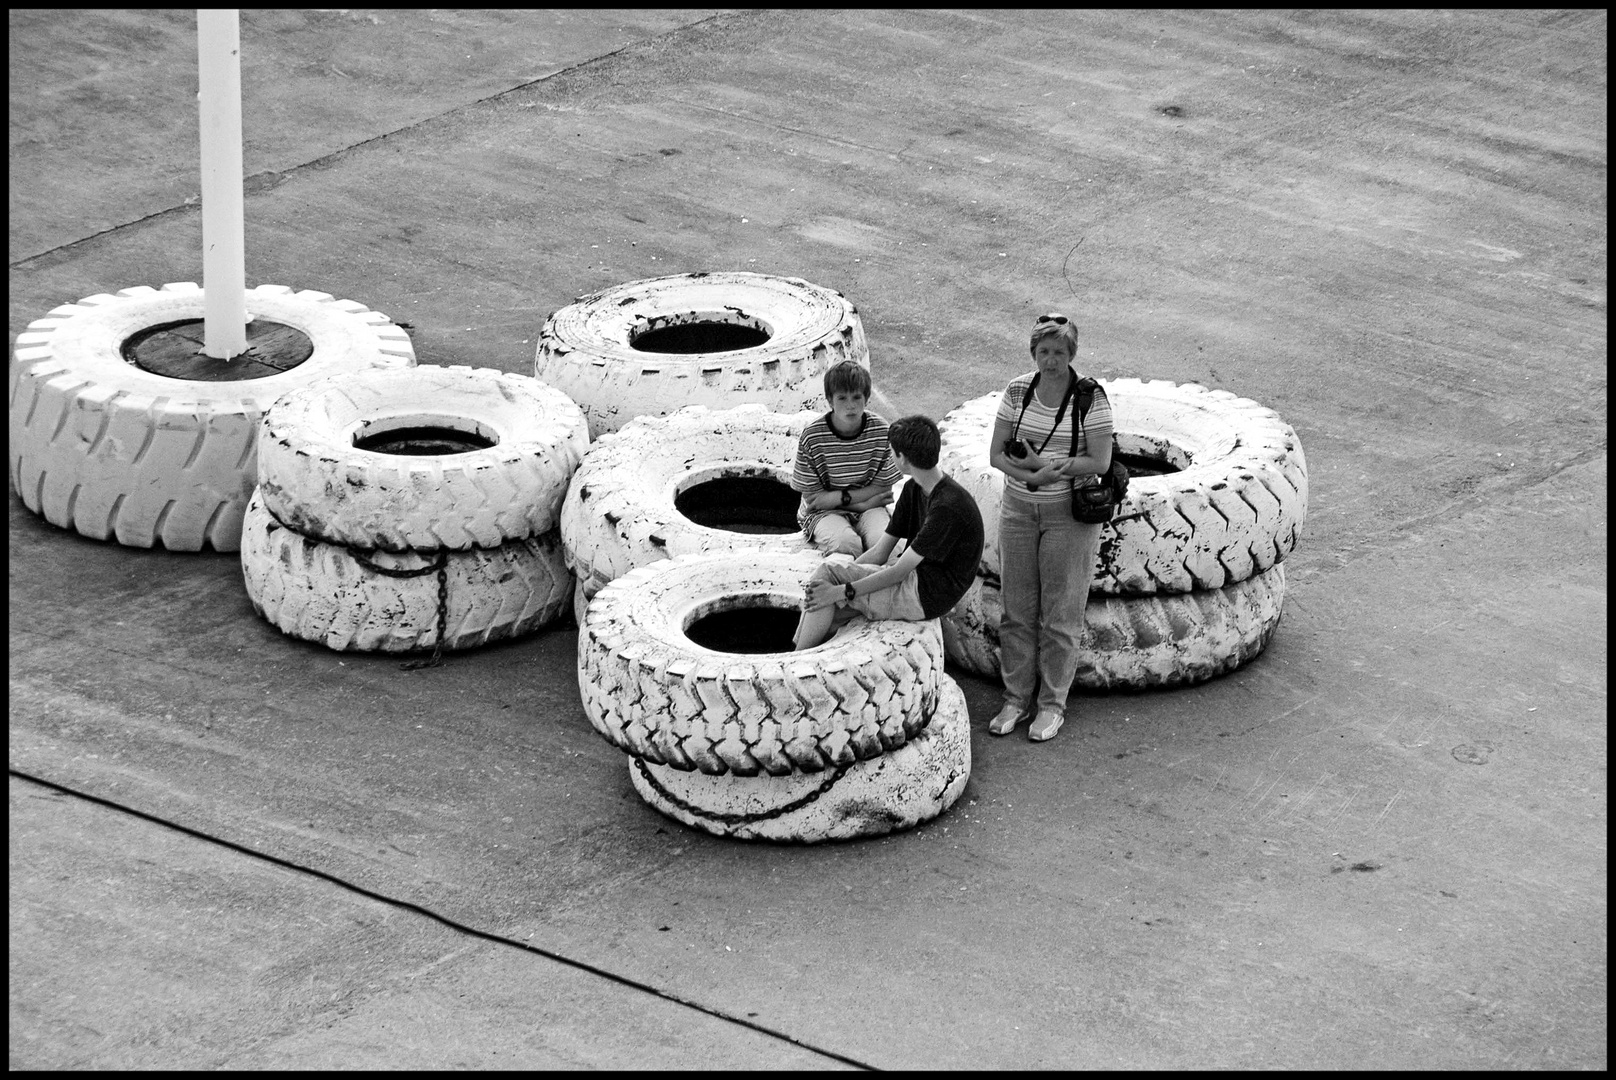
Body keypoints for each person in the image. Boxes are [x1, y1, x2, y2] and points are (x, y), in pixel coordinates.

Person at [985, 312, 1113, 742]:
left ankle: (1051, 704)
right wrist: (1030, 476)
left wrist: (1048, 470)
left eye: (1060, 352)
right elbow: (996, 455)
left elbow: (1100, 461)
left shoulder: (1089, 397)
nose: (1051, 360)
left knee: (1060, 614)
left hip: (1067, 517)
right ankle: (1015, 698)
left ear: (1072, 354)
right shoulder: (1018, 390)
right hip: (1019, 509)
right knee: (1016, 612)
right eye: (1044, 352)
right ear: (1033, 353)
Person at [794, 415, 984, 650]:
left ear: (902, 458)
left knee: (829, 585)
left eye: (892, 452)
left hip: (926, 595)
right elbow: (880, 553)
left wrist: (842, 590)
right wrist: (849, 575)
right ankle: (801, 650)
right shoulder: (915, 488)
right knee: (829, 575)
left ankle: (796, 656)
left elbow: (898, 572)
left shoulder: (948, 507)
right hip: (913, 579)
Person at [790, 361, 902, 557]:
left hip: (870, 507)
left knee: (885, 547)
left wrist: (844, 500)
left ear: (867, 398)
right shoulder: (813, 437)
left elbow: (883, 489)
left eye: (856, 397)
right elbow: (814, 499)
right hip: (823, 514)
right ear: (830, 401)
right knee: (846, 545)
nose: (850, 405)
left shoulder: (881, 431)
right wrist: (861, 502)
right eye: (842, 398)